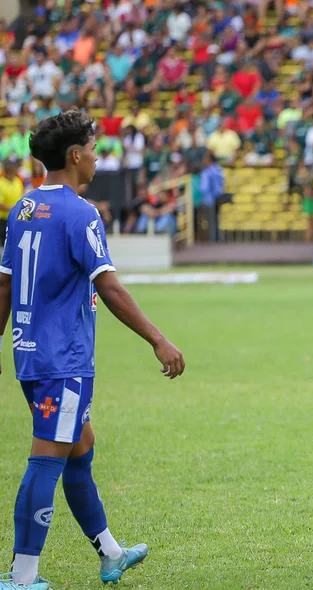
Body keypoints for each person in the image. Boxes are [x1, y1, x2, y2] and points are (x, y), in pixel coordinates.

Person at [0, 110, 186, 590]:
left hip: (30, 356)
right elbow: (110, 286)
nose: (99, 155)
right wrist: (158, 339)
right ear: (75, 154)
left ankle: (111, 554)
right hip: (64, 362)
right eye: (94, 146)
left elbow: (4, 285)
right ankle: (23, 576)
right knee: (47, 457)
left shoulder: (22, 208)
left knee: (79, 450)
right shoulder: (81, 213)